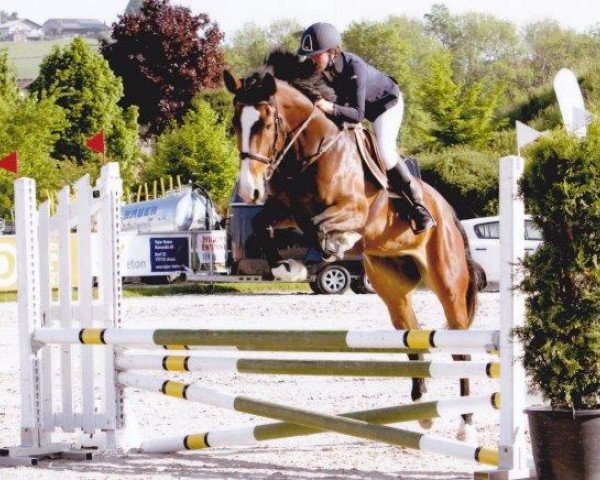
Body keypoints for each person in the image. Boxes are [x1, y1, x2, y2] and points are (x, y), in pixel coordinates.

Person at [298, 22, 435, 234]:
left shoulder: (355, 67)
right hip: (355, 108)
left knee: (385, 151)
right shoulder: (319, 67)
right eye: (310, 55)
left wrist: (330, 107)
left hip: (385, 105)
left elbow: (358, 115)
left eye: (316, 54)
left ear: (333, 52)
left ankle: (418, 206)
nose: (312, 59)